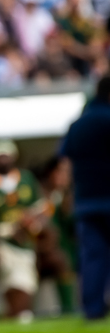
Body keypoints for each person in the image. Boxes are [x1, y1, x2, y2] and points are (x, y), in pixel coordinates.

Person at [0, 139, 43, 320]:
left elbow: (40, 211)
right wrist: (4, 231)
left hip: (25, 244)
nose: (4, 158)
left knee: (21, 310)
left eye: (7, 154)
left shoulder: (26, 179)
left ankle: (5, 312)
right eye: (0, 155)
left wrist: (31, 225)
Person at [62, 76, 110, 319]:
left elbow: (66, 164)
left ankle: (92, 309)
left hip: (85, 200)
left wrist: (70, 195)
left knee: (93, 256)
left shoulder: (78, 124)